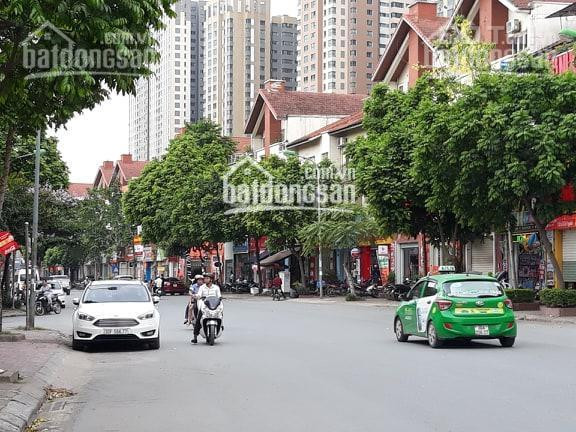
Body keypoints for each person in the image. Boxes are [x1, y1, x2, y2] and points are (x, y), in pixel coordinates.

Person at [191, 273, 222, 344]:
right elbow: (199, 295)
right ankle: (195, 337)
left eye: (207, 278)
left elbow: (219, 296)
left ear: (211, 280)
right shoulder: (202, 287)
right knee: (199, 318)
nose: (205, 280)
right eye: (205, 278)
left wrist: (220, 298)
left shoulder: (216, 287)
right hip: (205, 305)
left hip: (214, 305)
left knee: (220, 313)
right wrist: (196, 296)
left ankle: (221, 325)